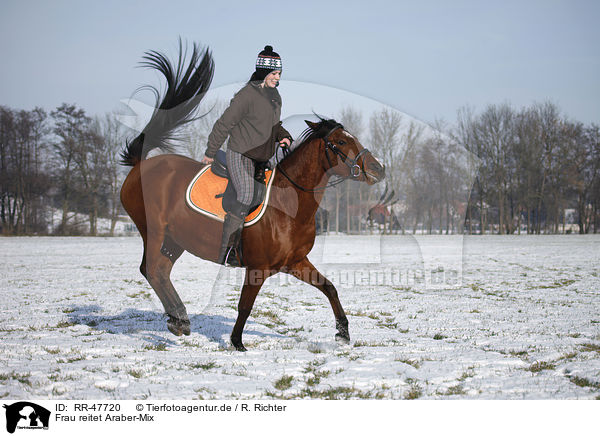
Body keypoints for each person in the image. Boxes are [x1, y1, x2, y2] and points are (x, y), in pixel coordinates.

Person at [201, 45, 292, 265]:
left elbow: (274, 125)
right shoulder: (247, 95)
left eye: (279, 74)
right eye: (274, 74)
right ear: (263, 72)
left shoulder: (275, 97)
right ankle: (228, 251)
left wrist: (284, 135)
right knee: (245, 195)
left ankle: (254, 243)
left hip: (262, 157)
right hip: (240, 153)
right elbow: (224, 123)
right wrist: (211, 152)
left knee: (264, 197)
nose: (277, 78)